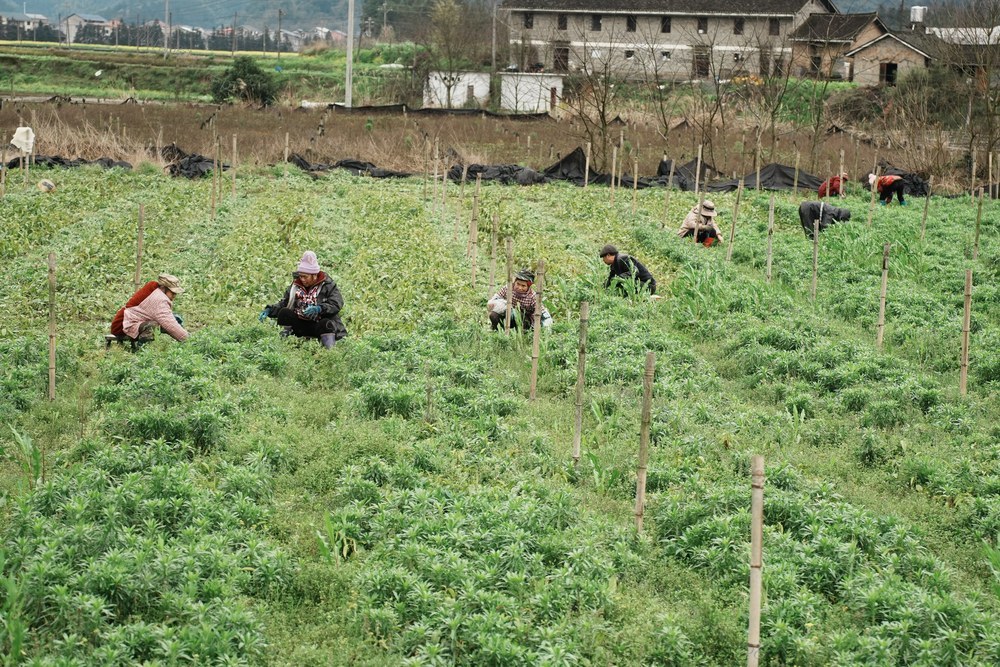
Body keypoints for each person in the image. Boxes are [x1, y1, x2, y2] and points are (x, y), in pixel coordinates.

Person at [259, 251, 346, 349]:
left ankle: (329, 352)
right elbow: (285, 303)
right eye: (300, 276)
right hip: (300, 324)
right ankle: (284, 345)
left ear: (314, 275)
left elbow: (336, 303)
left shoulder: (328, 285)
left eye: (305, 277)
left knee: (326, 323)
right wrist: (270, 310)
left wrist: (320, 309)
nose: (302, 279)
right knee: (284, 313)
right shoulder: (296, 285)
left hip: (318, 324)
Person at [119, 273, 189, 343]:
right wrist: (188, 340)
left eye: (175, 293)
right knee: (153, 326)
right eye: (172, 293)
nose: (174, 295)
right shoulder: (160, 299)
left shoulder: (159, 293)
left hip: (142, 320)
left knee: (176, 318)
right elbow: (170, 324)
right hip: (131, 324)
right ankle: (141, 348)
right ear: (164, 288)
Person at [487, 269, 551, 330]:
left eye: (523, 286)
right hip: (508, 314)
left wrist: (547, 323)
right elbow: (497, 297)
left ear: (528, 287)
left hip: (524, 319)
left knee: (516, 314)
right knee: (494, 315)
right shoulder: (508, 288)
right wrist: (494, 304)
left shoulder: (532, 296)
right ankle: (497, 330)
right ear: (515, 282)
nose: (520, 288)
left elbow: (542, 311)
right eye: (518, 284)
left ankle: (521, 334)